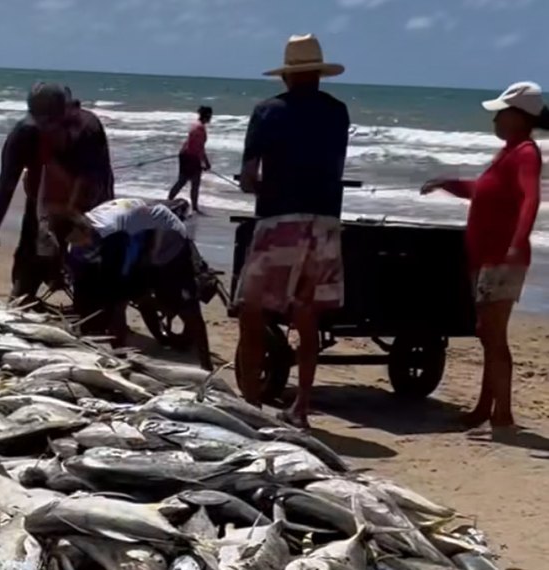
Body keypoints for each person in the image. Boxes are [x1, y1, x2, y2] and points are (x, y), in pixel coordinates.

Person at [234, 34, 350, 428]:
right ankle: (301, 406)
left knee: (252, 313)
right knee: (307, 315)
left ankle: (250, 404)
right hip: (325, 222)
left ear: (287, 76)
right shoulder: (338, 112)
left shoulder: (267, 111)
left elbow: (250, 177)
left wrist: (255, 185)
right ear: (318, 73)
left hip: (280, 220)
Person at [421, 82, 546, 430]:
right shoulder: (507, 152)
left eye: (501, 113)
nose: (495, 118)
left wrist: (516, 242)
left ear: (519, 117)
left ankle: (502, 413)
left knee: (494, 335)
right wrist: (448, 183)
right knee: (486, 332)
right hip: (485, 256)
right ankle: (484, 407)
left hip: (502, 257)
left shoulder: (525, 152)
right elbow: (484, 191)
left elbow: (530, 199)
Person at [0, 82, 114, 301]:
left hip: (87, 199)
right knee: (30, 256)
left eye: (53, 123)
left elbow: (98, 180)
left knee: (90, 264)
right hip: (43, 199)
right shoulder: (24, 134)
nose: (47, 128)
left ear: (68, 112)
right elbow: (6, 182)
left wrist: (76, 218)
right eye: (41, 122)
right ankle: (30, 287)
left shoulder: (88, 130)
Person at [66, 197, 211, 366]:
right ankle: (150, 341)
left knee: (185, 306)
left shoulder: (111, 232)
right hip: (138, 234)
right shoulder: (81, 239)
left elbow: (118, 280)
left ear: (84, 229)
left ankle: (206, 364)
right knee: (133, 293)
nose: (77, 244)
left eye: (78, 239)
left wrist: (117, 293)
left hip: (166, 233)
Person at [168, 105, 213, 213]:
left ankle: (170, 200)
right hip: (191, 156)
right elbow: (199, 148)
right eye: (210, 115)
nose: (211, 118)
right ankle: (193, 207)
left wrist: (203, 161)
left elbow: (194, 145)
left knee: (183, 181)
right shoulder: (200, 128)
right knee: (192, 182)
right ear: (207, 115)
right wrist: (205, 162)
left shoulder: (195, 125)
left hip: (185, 155)